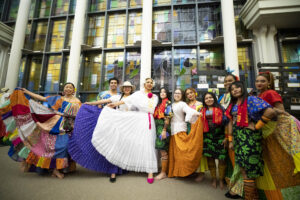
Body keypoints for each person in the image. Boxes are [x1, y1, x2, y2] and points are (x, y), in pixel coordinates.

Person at [91, 78, 158, 184]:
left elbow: (151, 108)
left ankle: (150, 171)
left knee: (148, 143)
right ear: (144, 84)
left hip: (148, 120)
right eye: (147, 82)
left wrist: (142, 105)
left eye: (151, 82)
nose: (149, 84)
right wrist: (115, 104)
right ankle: (130, 166)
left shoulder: (155, 96)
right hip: (138, 119)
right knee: (137, 143)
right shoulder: (138, 94)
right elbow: (127, 100)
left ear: (152, 85)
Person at [68, 81, 135, 182]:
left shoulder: (135, 98)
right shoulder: (117, 97)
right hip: (116, 125)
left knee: (123, 148)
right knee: (114, 146)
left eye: (128, 87)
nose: (127, 89)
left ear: (131, 89)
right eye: (125, 87)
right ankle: (113, 171)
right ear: (122, 88)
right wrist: (90, 103)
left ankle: (121, 168)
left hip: (128, 126)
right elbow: (103, 101)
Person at [13, 83, 81, 179]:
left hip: (68, 126)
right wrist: (27, 92)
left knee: (65, 146)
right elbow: (42, 98)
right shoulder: (58, 98)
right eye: (67, 87)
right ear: (64, 89)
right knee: (51, 146)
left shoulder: (77, 101)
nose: (68, 89)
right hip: (54, 123)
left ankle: (58, 169)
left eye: (71, 87)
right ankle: (55, 170)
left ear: (73, 90)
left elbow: (80, 115)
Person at [225, 81, 276, 200]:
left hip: (250, 138)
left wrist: (257, 126)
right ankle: (252, 197)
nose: (235, 90)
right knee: (243, 169)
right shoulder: (233, 104)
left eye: (237, 87)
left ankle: (251, 197)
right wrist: (231, 140)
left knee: (249, 170)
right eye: (232, 89)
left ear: (242, 87)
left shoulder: (252, 99)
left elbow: (271, 111)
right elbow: (230, 122)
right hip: (238, 138)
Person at [254, 72, 300, 199]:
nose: (259, 83)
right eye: (257, 81)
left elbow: (281, 111)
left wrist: (266, 114)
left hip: (279, 127)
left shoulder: (270, 93)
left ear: (269, 83)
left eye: (262, 81)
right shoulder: (259, 94)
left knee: (285, 154)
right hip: (269, 127)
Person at [168, 88, 203, 178]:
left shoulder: (182, 104)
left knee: (182, 152)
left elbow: (189, 110)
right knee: (176, 153)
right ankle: (177, 172)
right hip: (173, 130)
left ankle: (185, 171)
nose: (177, 94)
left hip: (180, 130)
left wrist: (197, 114)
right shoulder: (171, 104)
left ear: (182, 95)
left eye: (179, 93)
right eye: (175, 93)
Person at [202, 92, 228, 189]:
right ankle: (213, 178)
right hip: (207, 137)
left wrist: (226, 137)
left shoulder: (221, 109)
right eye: (206, 98)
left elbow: (227, 123)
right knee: (210, 159)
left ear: (214, 98)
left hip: (220, 137)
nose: (209, 99)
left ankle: (221, 179)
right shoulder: (202, 110)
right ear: (204, 101)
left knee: (222, 159)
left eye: (210, 97)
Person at [185, 88, 208, 182]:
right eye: (187, 94)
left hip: (198, 129)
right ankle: (193, 170)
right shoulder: (186, 105)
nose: (190, 95)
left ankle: (201, 173)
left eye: (191, 92)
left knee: (199, 149)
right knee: (190, 150)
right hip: (188, 129)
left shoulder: (200, 104)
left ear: (195, 93)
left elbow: (203, 117)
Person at [153, 88, 172, 180]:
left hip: (164, 128)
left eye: (164, 92)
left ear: (167, 93)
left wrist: (164, 130)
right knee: (161, 149)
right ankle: (164, 170)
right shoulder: (159, 104)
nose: (162, 93)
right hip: (158, 127)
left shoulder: (168, 103)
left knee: (162, 149)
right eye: (161, 92)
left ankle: (163, 173)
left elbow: (168, 117)